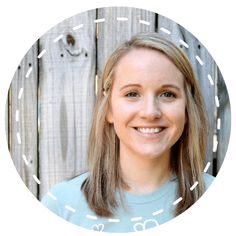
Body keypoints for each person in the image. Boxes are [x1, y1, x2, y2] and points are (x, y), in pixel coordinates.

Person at [41, 32, 214, 233]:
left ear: (187, 108)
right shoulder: (61, 206)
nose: (150, 112)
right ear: (109, 109)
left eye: (168, 94)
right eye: (132, 94)